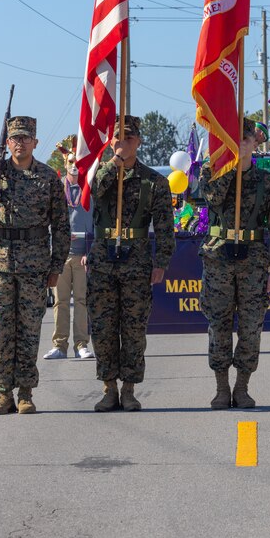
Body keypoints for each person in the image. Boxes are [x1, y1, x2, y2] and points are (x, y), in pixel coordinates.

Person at [0, 116, 70, 415]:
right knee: (0, 331)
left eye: (25, 138)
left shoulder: (48, 178)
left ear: (35, 142)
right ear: (7, 142)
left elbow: (60, 226)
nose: (20, 143)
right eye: (15, 138)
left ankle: (25, 392)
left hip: (35, 265)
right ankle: (3, 393)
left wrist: (56, 266)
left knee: (29, 330)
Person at [87, 115, 175, 412]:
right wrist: (114, 163)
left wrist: (161, 261)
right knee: (103, 328)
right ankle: (108, 387)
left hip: (136, 260)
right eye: (116, 139)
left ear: (138, 142)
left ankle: (129, 389)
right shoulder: (101, 172)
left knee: (134, 329)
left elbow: (165, 227)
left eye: (127, 139)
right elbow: (94, 193)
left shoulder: (155, 181)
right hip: (103, 261)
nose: (121, 144)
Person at [199, 117, 270, 409]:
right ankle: (221, 387)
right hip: (218, 258)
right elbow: (212, 198)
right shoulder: (211, 172)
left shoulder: (268, 182)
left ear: (255, 143)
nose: (239, 144)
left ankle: (242, 387)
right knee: (219, 325)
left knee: (251, 327)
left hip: (253, 261)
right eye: (233, 139)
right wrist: (230, 166)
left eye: (244, 140)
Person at [43, 140, 94, 361]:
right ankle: (59, 345)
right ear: (65, 162)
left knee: (82, 301)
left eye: (78, 162)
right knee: (60, 302)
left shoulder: (90, 189)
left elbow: (96, 222)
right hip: (61, 256)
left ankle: (81, 344)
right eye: (71, 161)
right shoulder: (56, 189)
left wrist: (90, 252)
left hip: (83, 256)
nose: (75, 166)